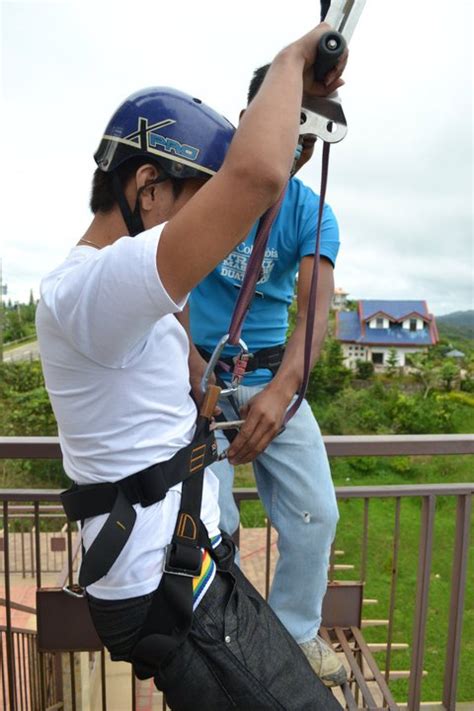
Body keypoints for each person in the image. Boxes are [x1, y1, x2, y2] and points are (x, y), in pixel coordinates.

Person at [36, 23, 347, 711]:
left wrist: (201, 386)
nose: (209, 220)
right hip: (176, 587)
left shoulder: (102, 291)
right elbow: (257, 174)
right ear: (148, 186)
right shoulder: (97, 284)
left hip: (185, 568)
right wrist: (296, 59)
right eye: (194, 195)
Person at [187, 63, 347, 687]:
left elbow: (314, 314)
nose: (298, 147)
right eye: (288, 125)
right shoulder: (203, 185)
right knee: (210, 519)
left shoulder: (314, 214)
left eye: (309, 137)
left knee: (315, 514)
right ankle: (218, 638)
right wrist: (193, 367)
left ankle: (295, 636)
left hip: (275, 377)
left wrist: (281, 394)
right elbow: (164, 283)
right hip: (198, 374)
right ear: (253, 115)